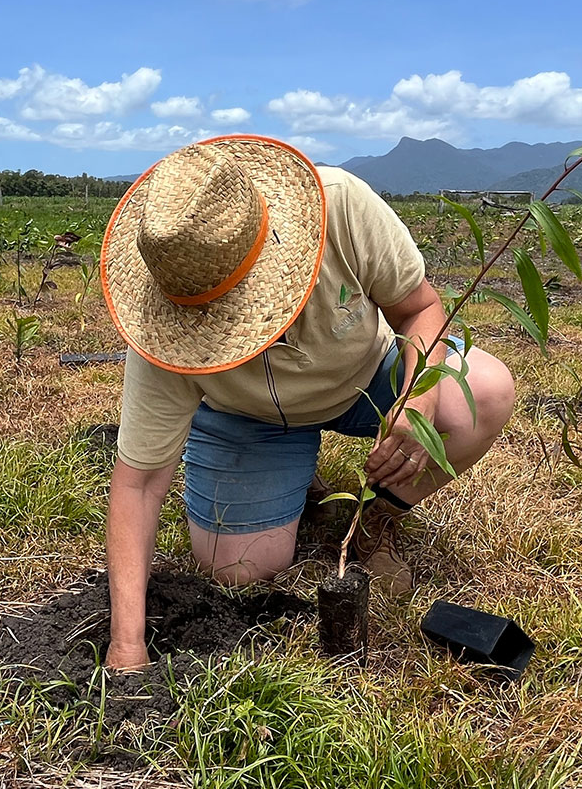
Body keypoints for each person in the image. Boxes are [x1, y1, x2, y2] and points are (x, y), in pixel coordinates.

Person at [99, 135, 517, 671]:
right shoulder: (163, 332)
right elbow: (138, 481)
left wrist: (419, 398)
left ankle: (374, 519)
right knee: (236, 569)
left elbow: (420, 309)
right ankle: (298, 484)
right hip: (242, 416)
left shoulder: (340, 206)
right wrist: (128, 643)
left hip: (366, 380)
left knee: (482, 391)